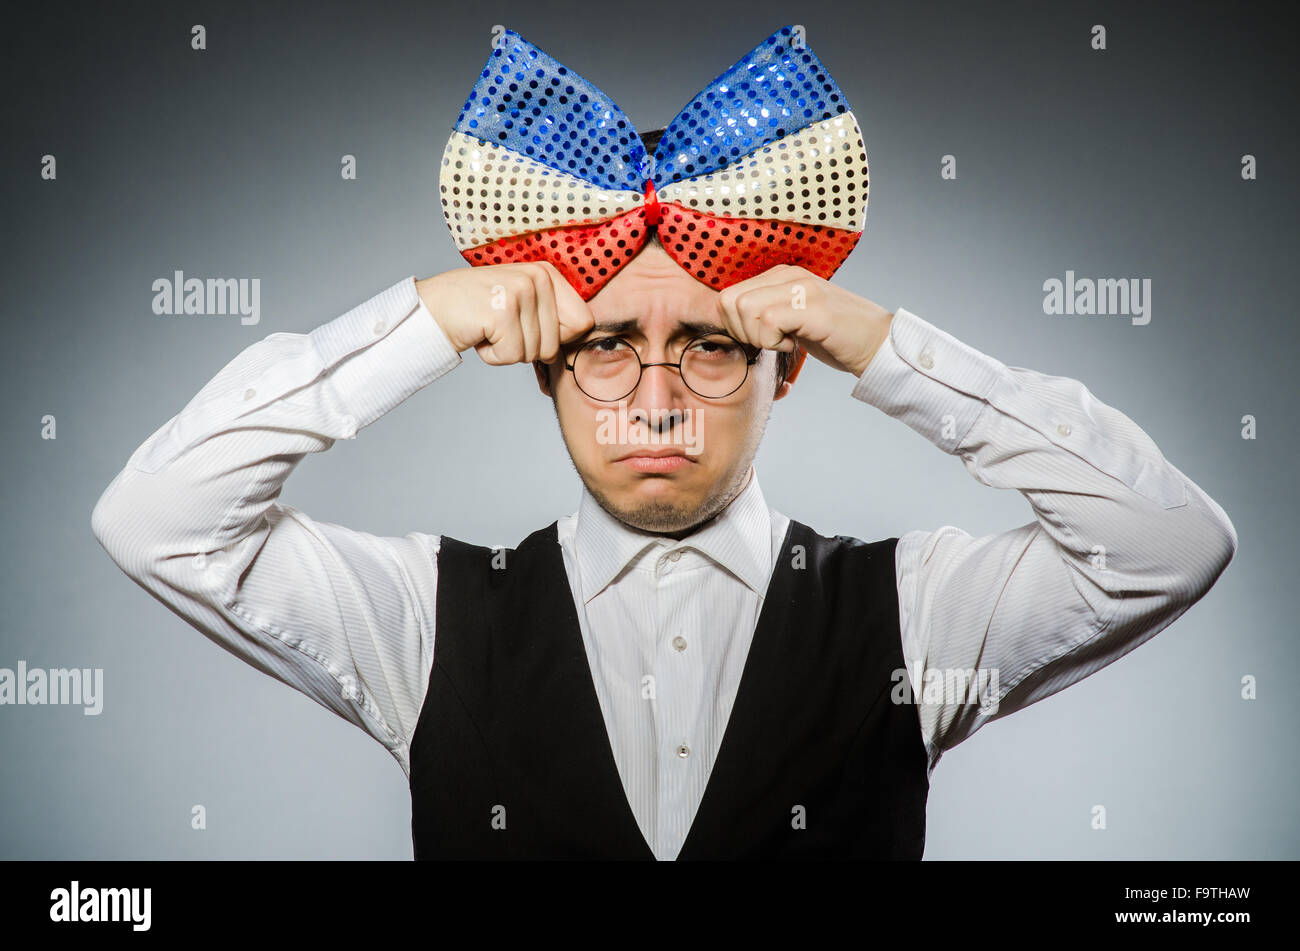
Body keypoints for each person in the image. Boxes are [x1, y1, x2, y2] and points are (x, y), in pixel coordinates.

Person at [91, 29, 1238, 859]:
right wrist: (428, 318)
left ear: (785, 365)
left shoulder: (918, 615)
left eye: (705, 345)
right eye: (601, 348)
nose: (653, 399)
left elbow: (1168, 544)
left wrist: (876, 341)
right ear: (541, 364)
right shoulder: (418, 624)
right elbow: (157, 520)